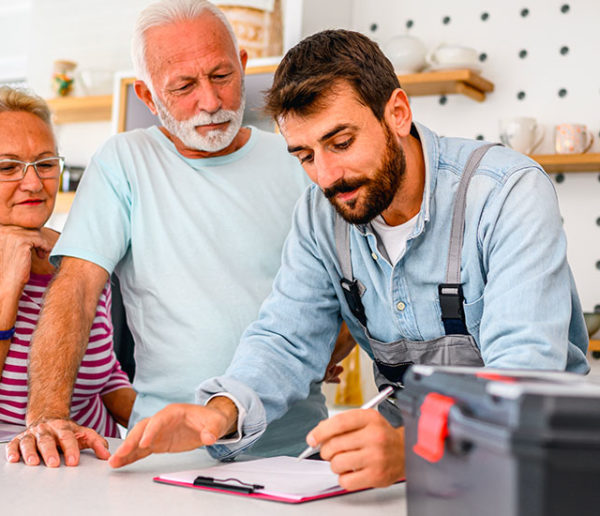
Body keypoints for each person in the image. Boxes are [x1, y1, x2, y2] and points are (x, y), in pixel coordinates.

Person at [108, 29, 590, 490]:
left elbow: (522, 374)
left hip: (530, 467)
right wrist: (219, 412)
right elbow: (285, 338)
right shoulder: (321, 216)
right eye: (305, 155)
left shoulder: (507, 194)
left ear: (397, 113)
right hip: (403, 478)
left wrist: (413, 451)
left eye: (341, 143)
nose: (327, 176)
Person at [7, 0, 347, 468]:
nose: (210, 102)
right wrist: (47, 417)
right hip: (168, 454)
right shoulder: (125, 161)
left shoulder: (299, 160)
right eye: (184, 86)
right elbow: (77, 290)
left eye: (222, 76)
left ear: (244, 68)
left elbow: (352, 283)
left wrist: (326, 347)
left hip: (296, 449)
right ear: (147, 97)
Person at [0, 87, 136, 466]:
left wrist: (169, 426)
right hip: (17, 472)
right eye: (7, 167)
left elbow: (106, 375)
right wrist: (8, 286)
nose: (32, 183)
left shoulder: (78, 255)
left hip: (93, 463)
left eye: (44, 164)